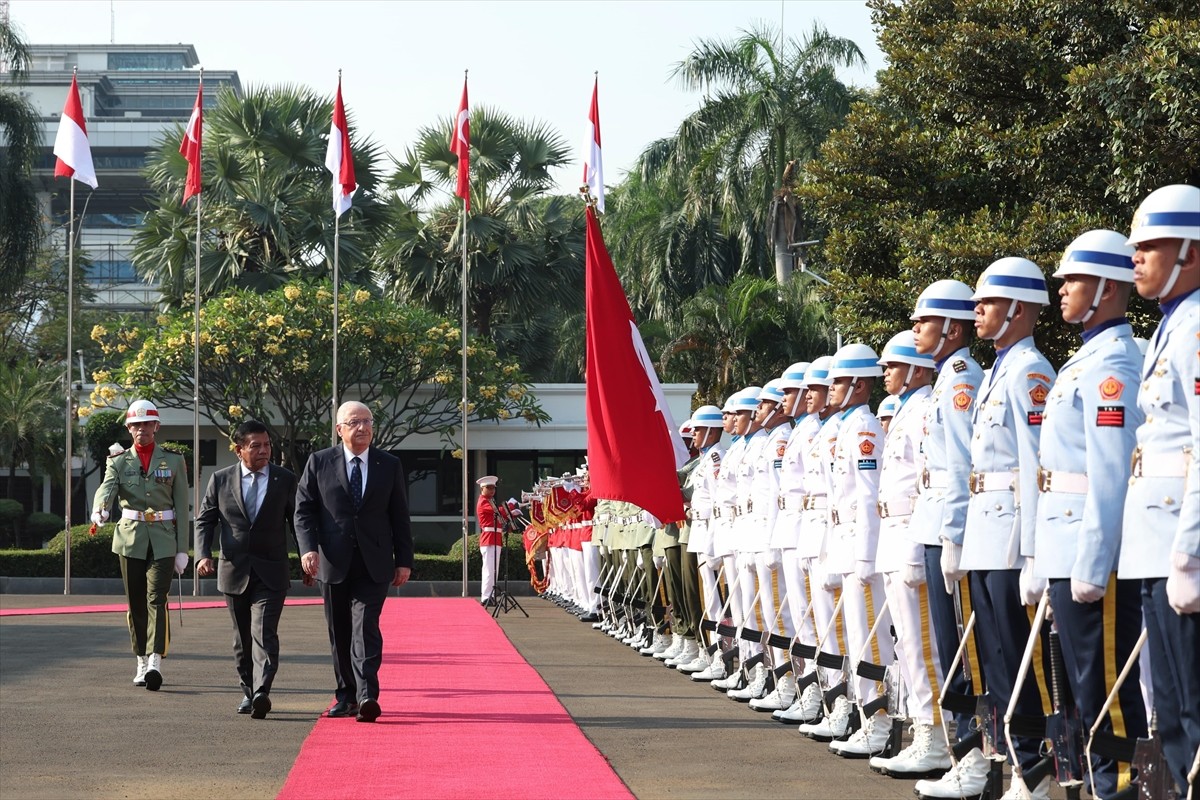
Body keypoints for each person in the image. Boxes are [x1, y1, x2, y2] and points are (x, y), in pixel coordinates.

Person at [1032, 230, 1149, 796]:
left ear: (1105, 288)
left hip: (1092, 552)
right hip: (1066, 543)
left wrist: (1093, 561)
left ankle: (1121, 788)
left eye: (1072, 280)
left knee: (1109, 694)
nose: (1062, 290)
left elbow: (1110, 472)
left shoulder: (1115, 364)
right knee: (1083, 687)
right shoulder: (1084, 360)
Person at [1118, 184, 1200, 795]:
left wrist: (1190, 553)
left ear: (1189, 252)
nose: (1136, 258)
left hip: (1179, 544)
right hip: (1154, 543)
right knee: (1168, 711)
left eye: (1149, 246)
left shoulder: (1196, 327)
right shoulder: (1172, 326)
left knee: (1193, 713)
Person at [295, 401, 413, 723]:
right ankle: (345, 695)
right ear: (339, 430)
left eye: (367, 421)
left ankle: (367, 696)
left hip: (374, 562)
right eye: (354, 422)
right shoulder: (319, 462)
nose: (362, 427)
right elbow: (303, 511)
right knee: (341, 630)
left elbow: (399, 515)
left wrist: (404, 560)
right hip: (333, 561)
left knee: (365, 627)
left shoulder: (389, 464)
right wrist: (308, 549)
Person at [195, 420, 298, 719]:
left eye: (267, 444)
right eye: (256, 446)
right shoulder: (221, 479)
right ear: (239, 449)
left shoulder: (285, 479)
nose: (264, 450)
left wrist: (307, 554)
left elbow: (298, 521)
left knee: (264, 632)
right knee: (241, 639)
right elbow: (205, 520)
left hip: (272, 570)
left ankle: (262, 690)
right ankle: (248, 692)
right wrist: (203, 555)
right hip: (234, 569)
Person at [90, 399, 190, 692]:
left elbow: (182, 507)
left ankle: (156, 660)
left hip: (163, 538)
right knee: (135, 602)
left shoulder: (173, 460)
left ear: (156, 426)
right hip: (130, 538)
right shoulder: (118, 460)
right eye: (136, 424)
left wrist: (183, 548)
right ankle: (141, 659)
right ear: (129, 428)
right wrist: (100, 510)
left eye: (147, 424)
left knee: (156, 598)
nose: (141, 429)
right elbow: (106, 489)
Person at [475, 475, 504, 605]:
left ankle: (490, 595)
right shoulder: (483, 501)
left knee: (493, 570)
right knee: (488, 569)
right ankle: (486, 597)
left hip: (495, 538)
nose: (492, 491)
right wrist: (510, 506)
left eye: (493, 488)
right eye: (489, 488)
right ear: (482, 488)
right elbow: (498, 511)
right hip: (489, 539)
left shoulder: (490, 501)